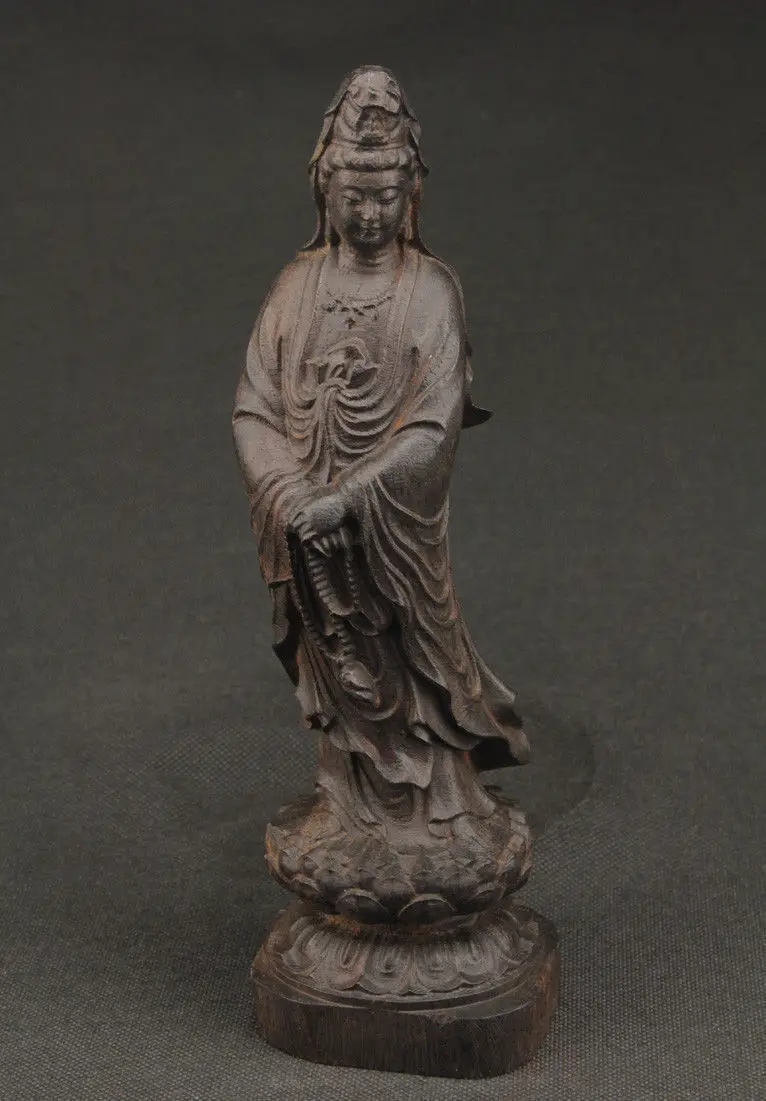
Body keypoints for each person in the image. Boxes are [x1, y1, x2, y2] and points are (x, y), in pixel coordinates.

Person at [232, 66, 529, 842]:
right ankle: (349, 802)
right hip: (308, 527)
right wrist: (289, 491)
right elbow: (254, 408)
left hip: (389, 535)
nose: (368, 214)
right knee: (337, 663)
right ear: (323, 191)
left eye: (385, 197)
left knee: (408, 666)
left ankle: (442, 811)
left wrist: (347, 497)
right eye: (352, 196)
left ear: (412, 195)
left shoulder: (429, 291)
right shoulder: (294, 288)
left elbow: (432, 426)